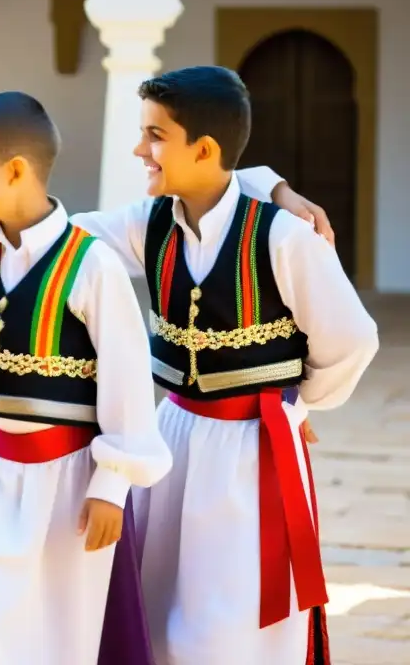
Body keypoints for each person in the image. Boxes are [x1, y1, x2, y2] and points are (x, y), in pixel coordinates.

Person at [69, 67, 379, 665]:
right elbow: (61, 238)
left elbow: (352, 339)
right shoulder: (147, 222)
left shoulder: (284, 236)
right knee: (160, 601)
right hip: (174, 436)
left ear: (204, 149)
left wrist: (297, 406)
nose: (140, 150)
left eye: (154, 135)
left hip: (251, 456)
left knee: (229, 620)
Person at [0, 92, 169, 665]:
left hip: (69, 484)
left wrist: (111, 487)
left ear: (16, 169)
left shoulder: (92, 265)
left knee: (61, 628)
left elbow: (127, 381)